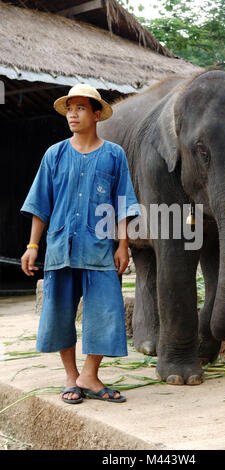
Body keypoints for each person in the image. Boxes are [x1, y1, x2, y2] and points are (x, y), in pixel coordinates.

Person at [20, 84, 140, 404]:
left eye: (81, 108)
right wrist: (32, 246)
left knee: (106, 312)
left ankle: (90, 374)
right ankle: (72, 378)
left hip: (100, 249)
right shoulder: (54, 154)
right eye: (69, 109)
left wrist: (122, 245)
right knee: (60, 314)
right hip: (60, 247)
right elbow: (40, 203)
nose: (72, 114)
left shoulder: (114, 154)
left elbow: (123, 203)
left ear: (96, 114)